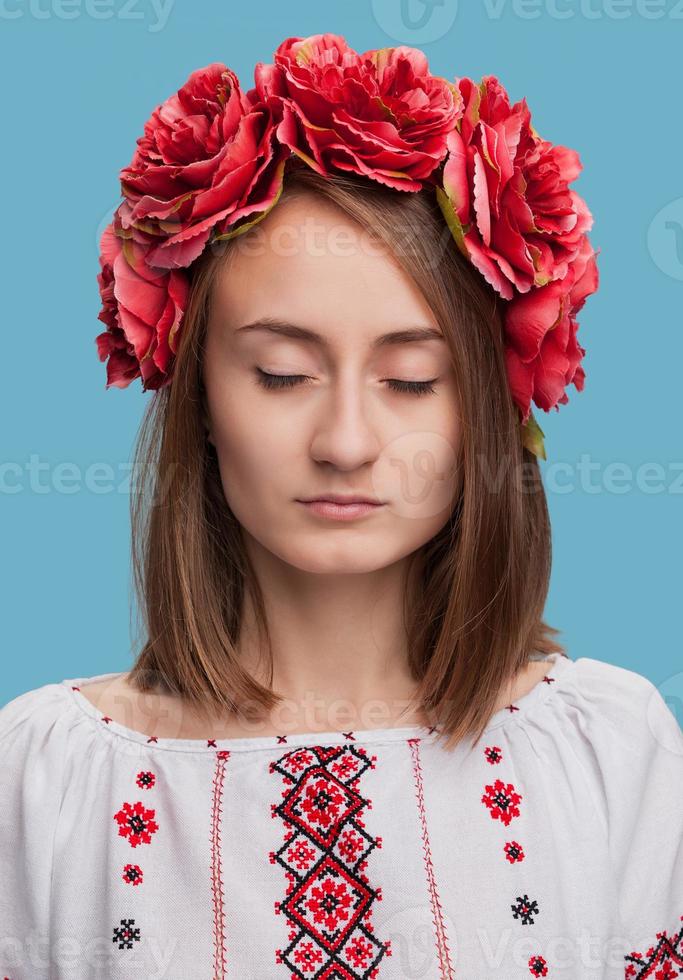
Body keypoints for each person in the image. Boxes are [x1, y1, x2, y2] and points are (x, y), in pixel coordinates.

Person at [1, 33, 681, 980]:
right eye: (282, 374)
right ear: (197, 392)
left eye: (411, 379)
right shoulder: (45, 782)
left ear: (485, 409)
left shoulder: (605, 748)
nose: (347, 441)